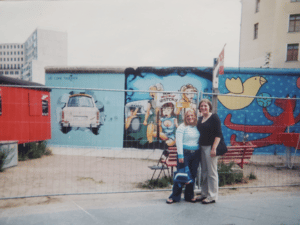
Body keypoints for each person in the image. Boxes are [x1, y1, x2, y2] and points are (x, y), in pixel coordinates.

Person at [166, 108, 200, 204]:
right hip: (184, 153)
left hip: (196, 154)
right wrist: (180, 155)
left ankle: (189, 196)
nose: (190, 117)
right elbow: (179, 142)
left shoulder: (197, 126)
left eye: (192, 115)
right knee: (181, 175)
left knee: (192, 175)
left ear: (195, 116)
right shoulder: (181, 127)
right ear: (185, 117)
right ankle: (174, 197)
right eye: (188, 116)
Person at [196, 99, 222, 204]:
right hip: (202, 147)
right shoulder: (200, 119)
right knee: (204, 172)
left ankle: (212, 196)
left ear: (209, 107)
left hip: (210, 148)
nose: (203, 108)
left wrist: (214, 148)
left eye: (205, 106)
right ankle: (204, 193)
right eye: (201, 106)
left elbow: (218, 134)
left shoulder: (214, 117)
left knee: (212, 172)